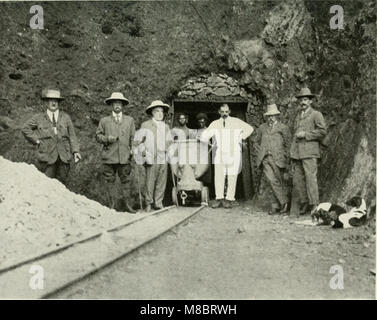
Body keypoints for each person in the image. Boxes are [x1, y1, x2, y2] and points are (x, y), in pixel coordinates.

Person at [199, 104, 254, 208]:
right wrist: (201, 137)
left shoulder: (236, 121)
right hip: (220, 152)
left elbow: (250, 129)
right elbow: (206, 136)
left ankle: (229, 198)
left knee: (232, 175)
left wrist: (241, 138)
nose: (224, 114)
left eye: (226, 111)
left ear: (229, 112)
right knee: (219, 175)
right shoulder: (215, 123)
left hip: (234, 152)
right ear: (219, 112)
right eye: (222, 112)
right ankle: (219, 198)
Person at [22, 89, 81, 184]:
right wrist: (36, 140)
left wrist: (75, 151)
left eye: (56, 100)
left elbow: (72, 135)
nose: (54, 103)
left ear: (59, 102)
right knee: (46, 184)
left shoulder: (65, 117)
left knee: (63, 185)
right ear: (46, 102)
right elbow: (25, 128)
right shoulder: (39, 118)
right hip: (47, 157)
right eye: (51, 100)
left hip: (64, 157)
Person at [96, 92, 136, 213]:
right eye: (115, 103)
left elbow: (133, 137)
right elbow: (98, 136)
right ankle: (112, 206)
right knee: (110, 181)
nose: (117, 105)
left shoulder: (129, 120)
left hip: (124, 156)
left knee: (126, 181)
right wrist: (107, 139)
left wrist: (133, 148)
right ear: (111, 105)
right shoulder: (104, 121)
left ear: (123, 105)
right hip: (109, 156)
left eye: (119, 103)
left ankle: (128, 206)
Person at [290, 87, 327, 215]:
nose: (303, 102)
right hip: (298, 153)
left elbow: (322, 131)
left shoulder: (316, 114)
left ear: (310, 101)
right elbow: (294, 135)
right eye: (301, 100)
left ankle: (314, 205)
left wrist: (306, 134)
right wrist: (292, 153)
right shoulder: (298, 116)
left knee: (311, 179)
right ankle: (305, 203)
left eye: (305, 99)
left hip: (310, 152)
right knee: (298, 180)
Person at [134, 100, 173, 212]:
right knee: (150, 181)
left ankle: (158, 202)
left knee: (162, 180)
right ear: (152, 113)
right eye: (157, 111)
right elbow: (138, 142)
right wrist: (144, 154)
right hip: (151, 156)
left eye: (161, 111)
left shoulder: (166, 127)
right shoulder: (146, 125)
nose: (160, 113)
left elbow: (169, 141)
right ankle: (148, 203)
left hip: (163, 156)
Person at [254, 104, 291, 215]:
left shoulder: (283, 128)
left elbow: (288, 144)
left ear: (277, 116)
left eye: (273, 116)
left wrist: (287, 157)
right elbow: (255, 141)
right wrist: (260, 151)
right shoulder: (262, 128)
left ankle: (281, 204)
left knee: (279, 182)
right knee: (271, 181)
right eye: (269, 116)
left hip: (279, 159)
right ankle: (279, 204)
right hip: (266, 159)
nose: (271, 118)